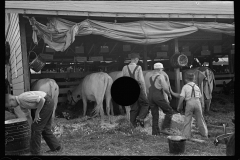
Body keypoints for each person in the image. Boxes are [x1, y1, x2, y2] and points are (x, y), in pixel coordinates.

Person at [5, 91, 62, 155]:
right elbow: (28, 116)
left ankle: (35, 152)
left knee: (37, 129)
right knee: (44, 128)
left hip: (46, 102)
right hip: (48, 103)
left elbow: (42, 100)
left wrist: (37, 113)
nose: (12, 107)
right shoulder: (22, 105)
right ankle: (56, 147)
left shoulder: (23, 98)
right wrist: (31, 128)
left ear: (12, 99)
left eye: (11, 105)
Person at [170, 72, 208, 139]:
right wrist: (202, 105)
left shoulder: (185, 87)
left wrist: (179, 106)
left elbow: (181, 97)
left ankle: (186, 135)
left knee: (187, 119)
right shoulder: (197, 87)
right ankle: (204, 134)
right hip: (197, 102)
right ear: (194, 79)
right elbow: (201, 97)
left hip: (189, 102)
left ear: (186, 79)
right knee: (200, 119)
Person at [122, 53, 149, 128]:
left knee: (134, 107)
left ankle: (132, 126)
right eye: (137, 60)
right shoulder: (138, 67)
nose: (138, 61)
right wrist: (144, 91)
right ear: (135, 59)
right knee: (146, 103)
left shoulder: (125, 67)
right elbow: (141, 80)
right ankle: (140, 117)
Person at [148, 63, 174, 135]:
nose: (162, 70)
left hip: (151, 97)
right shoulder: (160, 76)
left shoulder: (151, 77)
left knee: (155, 115)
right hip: (158, 97)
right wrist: (169, 94)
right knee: (169, 111)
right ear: (160, 69)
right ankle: (165, 128)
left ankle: (155, 133)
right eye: (162, 69)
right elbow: (165, 88)